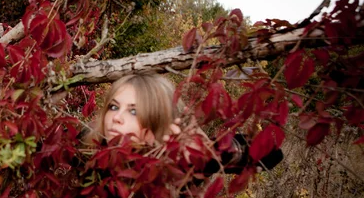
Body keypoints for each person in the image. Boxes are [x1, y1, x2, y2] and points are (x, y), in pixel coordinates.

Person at [81, 73, 283, 174]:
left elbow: (269, 154)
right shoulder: (90, 143)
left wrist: (208, 152)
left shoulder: (175, 162)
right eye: (114, 107)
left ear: (158, 121)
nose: (117, 117)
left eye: (134, 111)